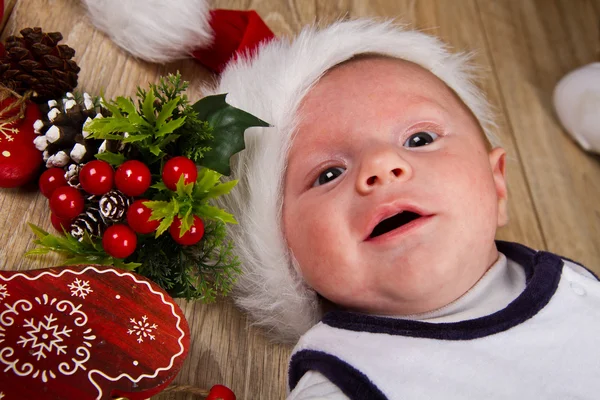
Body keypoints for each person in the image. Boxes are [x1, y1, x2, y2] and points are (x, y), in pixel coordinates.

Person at [206, 20, 600, 399]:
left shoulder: (576, 290)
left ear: (497, 183)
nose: (380, 165)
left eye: (420, 138)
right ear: (285, 255)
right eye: (329, 174)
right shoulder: (345, 382)